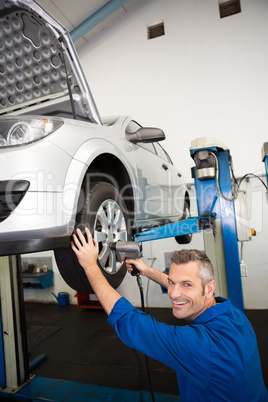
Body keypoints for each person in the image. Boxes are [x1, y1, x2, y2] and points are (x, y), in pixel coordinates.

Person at [72, 228, 268, 402]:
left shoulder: (200, 347)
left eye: (186, 284)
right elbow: (183, 288)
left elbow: (129, 321)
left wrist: (90, 265)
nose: (173, 294)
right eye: (173, 282)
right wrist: (146, 270)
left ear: (209, 289)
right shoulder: (234, 314)